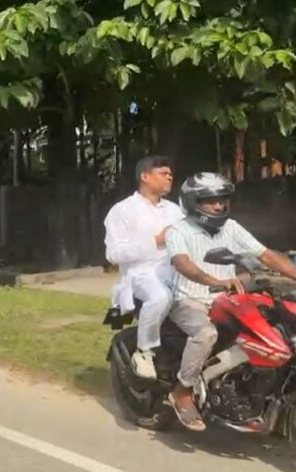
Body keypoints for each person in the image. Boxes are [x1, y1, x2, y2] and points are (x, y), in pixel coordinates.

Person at [164, 172, 296, 431]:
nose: (219, 205)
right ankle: (182, 392)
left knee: (277, 326)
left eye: (222, 199)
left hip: (229, 298)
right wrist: (215, 279)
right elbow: (183, 264)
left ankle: (262, 394)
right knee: (204, 334)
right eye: (210, 201)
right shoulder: (178, 231)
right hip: (190, 300)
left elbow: (267, 255)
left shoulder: (231, 227)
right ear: (193, 203)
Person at [104, 155, 185, 379]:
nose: (169, 176)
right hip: (140, 274)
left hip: (175, 270)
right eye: (163, 173)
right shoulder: (122, 211)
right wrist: (155, 241)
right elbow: (113, 254)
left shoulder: (174, 210)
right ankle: (145, 351)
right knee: (160, 298)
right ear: (145, 176)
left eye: (170, 173)